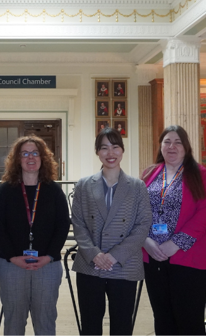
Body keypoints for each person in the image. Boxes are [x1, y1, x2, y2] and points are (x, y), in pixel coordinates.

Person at [71, 127, 152, 335]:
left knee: (122, 326)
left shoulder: (137, 186)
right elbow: (78, 223)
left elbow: (143, 225)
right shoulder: (83, 185)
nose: (110, 153)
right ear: (97, 152)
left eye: (115, 147)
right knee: (90, 325)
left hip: (124, 265)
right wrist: (95, 254)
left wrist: (114, 256)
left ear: (122, 150)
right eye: (104, 148)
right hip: (90, 265)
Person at [141, 125, 206, 335]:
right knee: (162, 317)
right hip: (153, 255)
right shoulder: (149, 173)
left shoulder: (199, 174)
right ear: (161, 146)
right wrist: (145, 240)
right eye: (167, 142)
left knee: (188, 319)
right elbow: (137, 210)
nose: (172, 147)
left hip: (187, 256)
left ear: (186, 147)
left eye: (177, 142)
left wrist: (175, 243)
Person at [0, 135, 70, 335]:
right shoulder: (6, 190)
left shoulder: (54, 190)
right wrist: (12, 256)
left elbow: (62, 226)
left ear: (43, 158)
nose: (30, 157)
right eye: (24, 153)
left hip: (47, 266)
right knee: (14, 323)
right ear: (17, 159)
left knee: (45, 322)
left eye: (35, 153)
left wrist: (50, 255)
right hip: (12, 266)